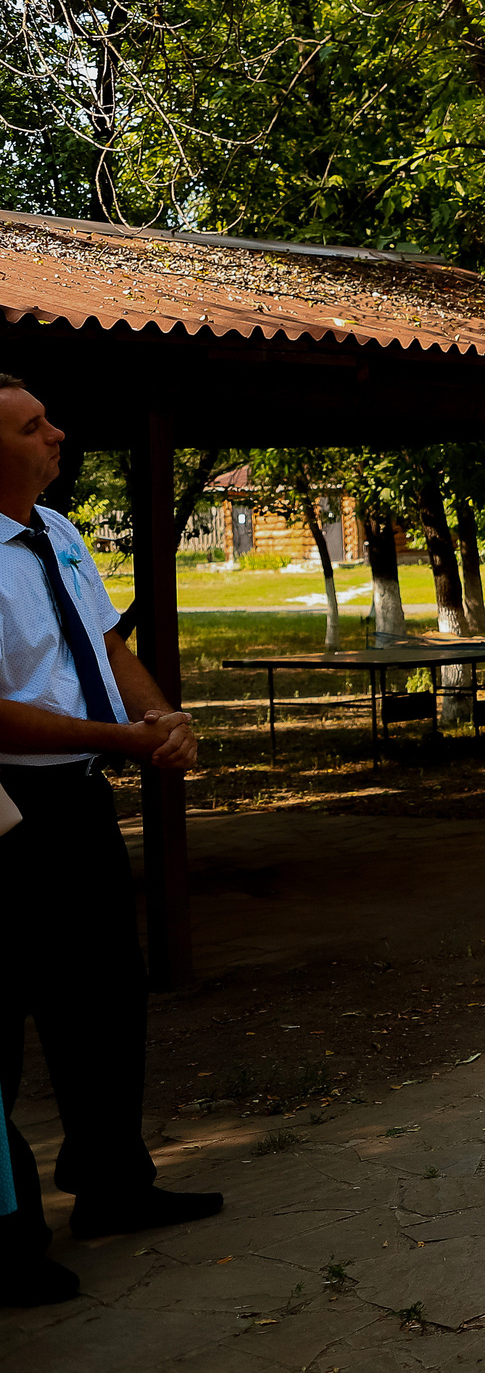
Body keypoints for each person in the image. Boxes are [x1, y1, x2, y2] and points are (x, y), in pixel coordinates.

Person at [0, 374, 219, 1308]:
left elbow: (108, 646)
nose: (59, 433)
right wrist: (121, 739)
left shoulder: (60, 534)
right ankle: (7, 1236)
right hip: (7, 808)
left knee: (103, 993)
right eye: (32, 424)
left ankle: (113, 1184)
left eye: (48, 418)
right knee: (3, 1024)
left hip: (79, 801)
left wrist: (161, 714)